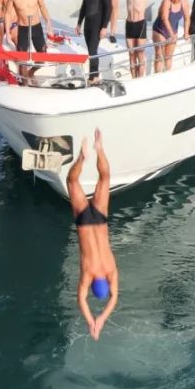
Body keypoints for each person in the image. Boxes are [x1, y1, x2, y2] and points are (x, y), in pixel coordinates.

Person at [68, 129, 118, 341]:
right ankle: (81, 158)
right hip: (84, 224)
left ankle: (99, 149)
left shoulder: (111, 270)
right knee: (72, 181)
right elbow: (81, 298)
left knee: (105, 177)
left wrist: (102, 317)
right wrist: (92, 321)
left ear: (106, 282)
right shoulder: (87, 274)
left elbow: (114, 297)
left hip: (100, 220)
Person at [5, 0, 54, 81]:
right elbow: (7, 13)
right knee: (22, 59)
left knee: (43, 57)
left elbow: (42, 6)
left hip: (36, 27)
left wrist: (49, 23)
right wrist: (7, 32)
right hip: (23, 29)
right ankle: (25, 82)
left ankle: (31, 72)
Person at [75, 0, 111, 85]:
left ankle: (94, 76)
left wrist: (104, 27)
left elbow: (108, 8)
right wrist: (79, 23)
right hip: (88, 24)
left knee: (93, 50)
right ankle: (93, 75)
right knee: (91, 51)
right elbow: (84, 7)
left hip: (98, 24)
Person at [152, 0, 191, 73]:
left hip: (173, 30)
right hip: (160, 30)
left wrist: (186, 32)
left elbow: (187, 18)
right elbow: (164, 18)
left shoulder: (184, 2)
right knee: (159, 56)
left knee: (169, 56)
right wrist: (171, 34)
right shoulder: (167, 1)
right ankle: (157, 77)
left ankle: (167, 75)